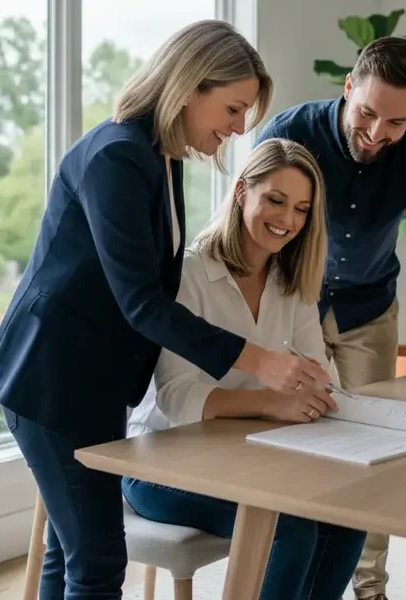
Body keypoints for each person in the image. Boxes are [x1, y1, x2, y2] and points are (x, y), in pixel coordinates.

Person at [0, 20, 332, 600]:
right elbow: (142, 302)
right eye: (234, 108)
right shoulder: (117, 157)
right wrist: (261, 362)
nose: (240, 127)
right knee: (95, 563)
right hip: (50, 379)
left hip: (92, 380)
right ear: (191, 86)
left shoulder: (157, 157)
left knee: (72, 555)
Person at [255, 36, 406, 600]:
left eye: (395, 121)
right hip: (294, 302)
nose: (375, 133)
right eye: (367, 113)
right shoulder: (291, 132)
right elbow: (252, 233)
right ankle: (282, 575)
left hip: (370, 307)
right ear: (348, 87)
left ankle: (370, 588)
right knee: (292, 440)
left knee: (375, 456)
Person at [124, 138, 367, 600]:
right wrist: (271, 403)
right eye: (275, 200)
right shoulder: (191, 273)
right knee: (289, 526)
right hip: (160, 465)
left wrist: (313, 383)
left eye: (301, 209)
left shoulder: (292, 281)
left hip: (246, 457)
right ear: (241, 192)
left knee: (346, 517)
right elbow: (177, 397)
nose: (288, 220)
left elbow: (319, 376)